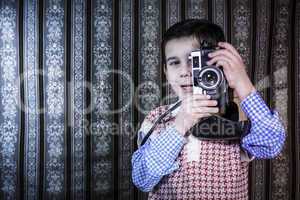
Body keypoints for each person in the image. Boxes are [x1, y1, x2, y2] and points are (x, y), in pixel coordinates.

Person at [131, 19, 285, 199]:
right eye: (174, 63)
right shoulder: (157, 118)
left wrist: (243, 84)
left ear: (217, 63)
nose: (185, 71)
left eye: (194, 61)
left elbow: (271, 145)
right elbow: (142, 179)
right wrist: (179, 126)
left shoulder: (236, 114)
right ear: (165, 71)